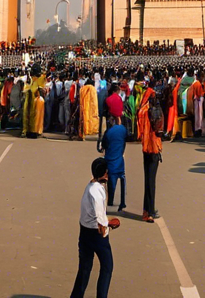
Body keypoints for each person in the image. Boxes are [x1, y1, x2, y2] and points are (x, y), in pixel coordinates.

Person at [69, 157, 119, 298]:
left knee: (84, 269)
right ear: (104, 174)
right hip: (96, 235)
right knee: (107, 267)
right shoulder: (97, 191)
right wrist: (104, 226)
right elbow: (98, 211)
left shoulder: (90, 186)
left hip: (84, 232)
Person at [137, 80, 163, 222]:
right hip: (153, 146)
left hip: (145, 146)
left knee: (147, 179)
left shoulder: (142, 110)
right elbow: (159, 129)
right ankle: (151, 212)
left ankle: (146, 210)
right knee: (151, 181)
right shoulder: (154, 110)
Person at [97, 114, 127, 212]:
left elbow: (103, 146)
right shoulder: (122, 129)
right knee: (122, 179)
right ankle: (122, 202)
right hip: (120, 160)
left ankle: (110, 200)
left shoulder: (108, 133)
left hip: (111, 160)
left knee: (111, 181)